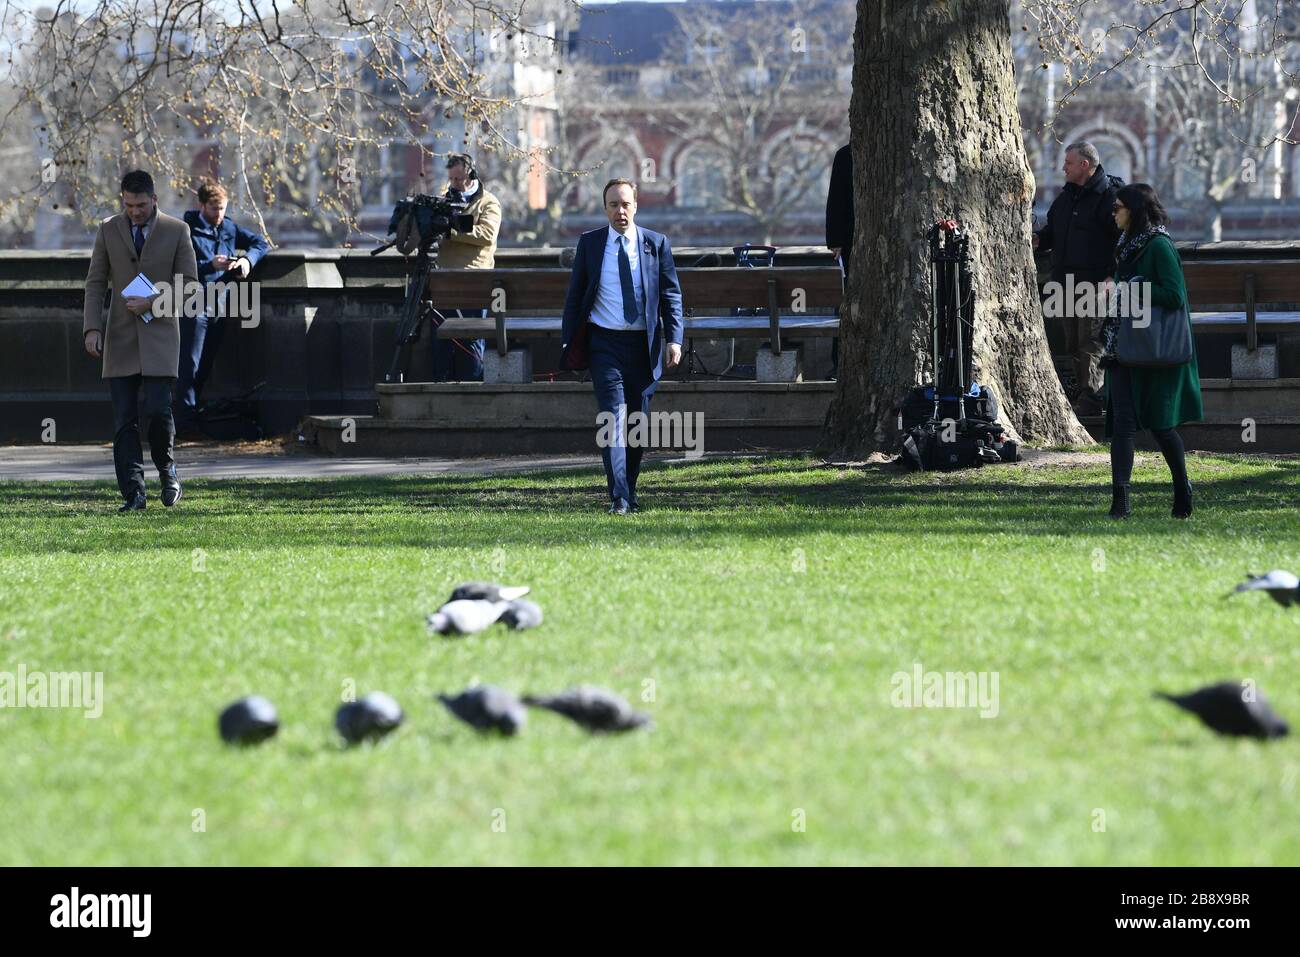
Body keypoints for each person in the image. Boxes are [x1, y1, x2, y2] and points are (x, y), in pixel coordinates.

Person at [559, 179, 684, 514]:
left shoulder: (656, 244)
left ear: (636, 206)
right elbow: (574, 299)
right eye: (613, 205)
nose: (620, 211)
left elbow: (671, 295)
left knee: (637, 424)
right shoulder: (590, 243)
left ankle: (629, 489)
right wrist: (570, 342)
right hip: (605, 345)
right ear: (605, 209)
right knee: (613, 419)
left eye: (626, 204)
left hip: (644, 346)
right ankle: (619, 497)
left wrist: (674, 339)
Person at [83, 170, 199, 511]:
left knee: (158, 411)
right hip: (119, 337)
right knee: (123, 419)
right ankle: (134, 493)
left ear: (154, 200)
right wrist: (92, 328)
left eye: (141, 205)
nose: (135, 211)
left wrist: (153, 302)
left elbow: (190, 288)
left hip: (160, 336)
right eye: (129, 204)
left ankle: (168, 472)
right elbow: (95, 283)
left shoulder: (178, 231)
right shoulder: (107, 229)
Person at [1099, 183, 1203, 520]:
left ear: (1135, 210)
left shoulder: (1158, 245)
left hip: (1153, 349)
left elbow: (1174, 295)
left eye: (1118, 208)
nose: (1112, 213)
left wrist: (1130, 289)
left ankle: (1182, 488)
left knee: (1160, 425)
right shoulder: (1126, 244)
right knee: (1123, 425)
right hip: (1123, 345)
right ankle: (1121, 502)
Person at [1034, 141, 1123, 415]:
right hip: (1065, 282)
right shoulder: (1067, 197)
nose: (1063, 168)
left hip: (1095, 284)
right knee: (1072, 343)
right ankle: (1083, 396)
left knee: (1091, 342)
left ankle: (1091, 399)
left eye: (1068, 163)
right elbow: (1055, 230)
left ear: (1085, 165)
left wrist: (1112, 276)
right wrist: (1040, 239)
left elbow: (1122, 239)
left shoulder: (1110, 196)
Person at [177, 179, 270, 432]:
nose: (218, 214)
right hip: (193, 305)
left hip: (220, 304)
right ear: (202, 205)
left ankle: (190, 416)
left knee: (205, 364)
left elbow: (261, 244)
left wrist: (246, 262)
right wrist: (210, 266)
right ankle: (183, 422)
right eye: (214, 209)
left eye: (222, 208)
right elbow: (174, 267)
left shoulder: (228, 227)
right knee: (189, 365)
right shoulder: (186, 229)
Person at [431, 153, 502, 381]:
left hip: (474, 281)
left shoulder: (488, 202)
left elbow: (487, 234)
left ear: (471, 175)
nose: (454, 184)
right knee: (441, 340)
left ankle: (472, 390)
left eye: (458, 179)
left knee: (471, 339)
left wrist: (451, 231)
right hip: (445, 281)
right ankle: (441, 391)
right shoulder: (444, 200)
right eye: (451, 179)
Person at [824, 142, 852, 380]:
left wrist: (835, 240)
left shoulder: (846, 155)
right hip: (854, 243)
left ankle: (839, 362)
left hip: (850, 244)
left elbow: (835, 201)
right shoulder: (846, 155)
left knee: (843, 305)